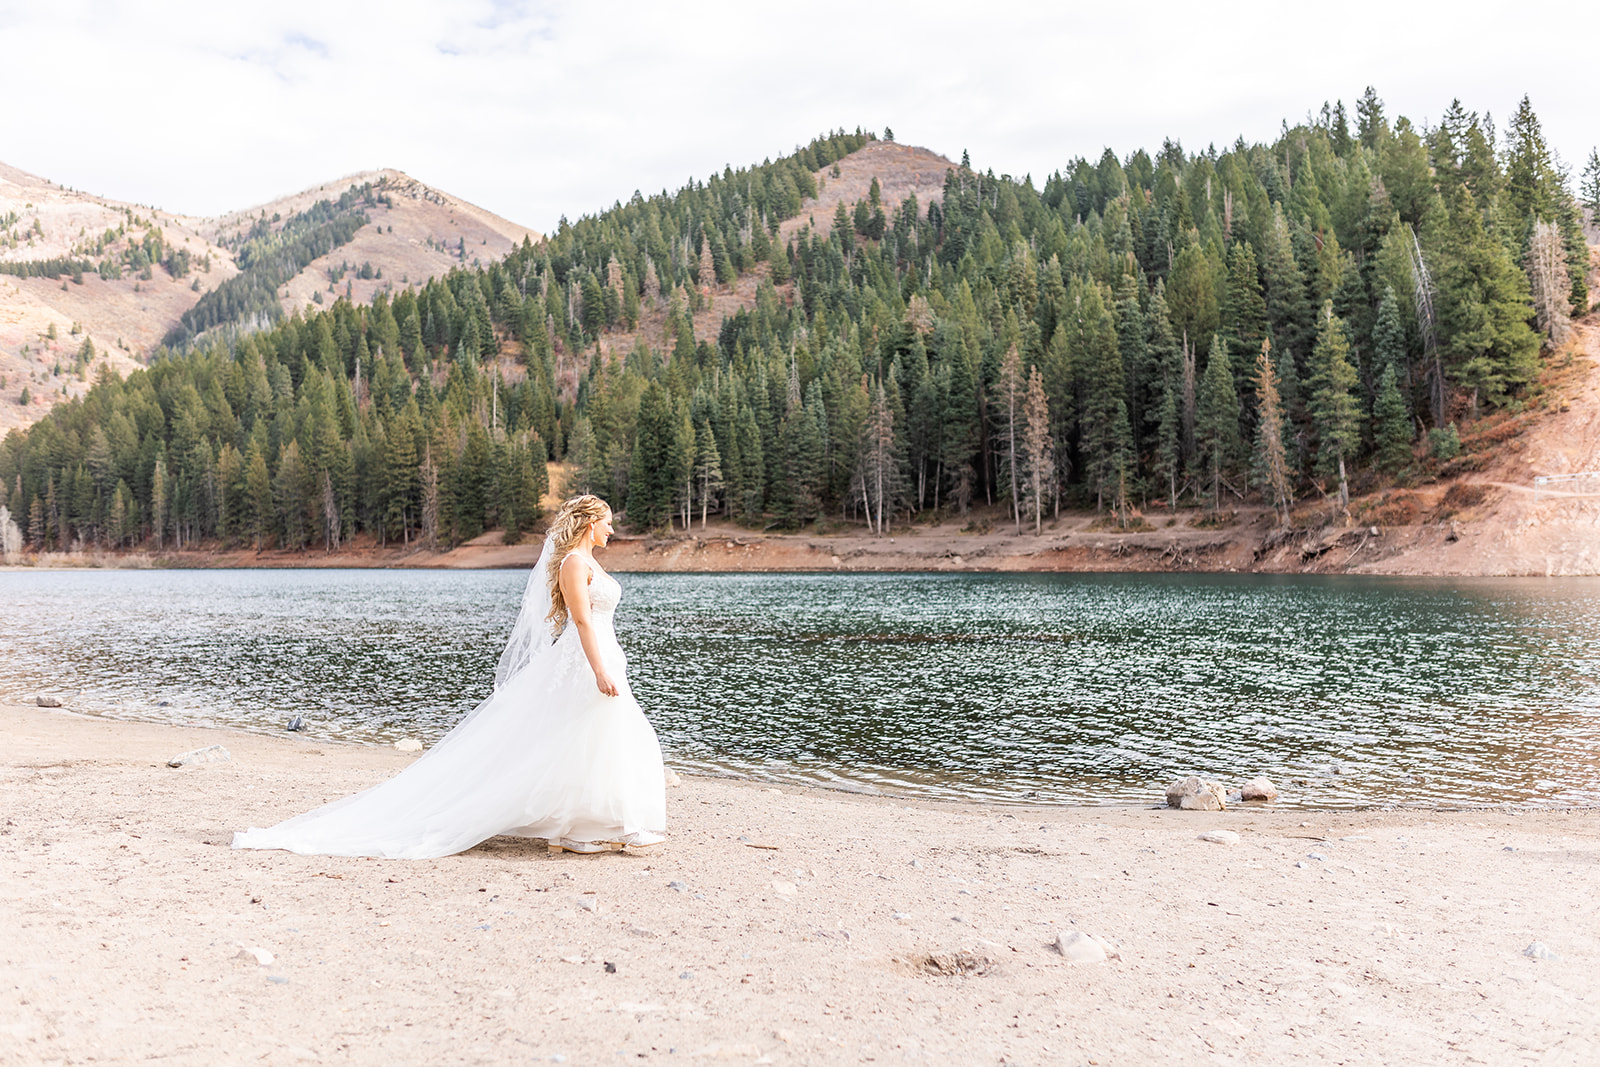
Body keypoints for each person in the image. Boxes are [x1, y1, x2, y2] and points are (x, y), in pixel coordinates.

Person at [233, 495, 667, 858]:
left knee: (592, 738)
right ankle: (614, 825)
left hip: (603, 658)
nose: (613, 531)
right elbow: (583, 622)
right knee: (602, 734)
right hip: (584, 661)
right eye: (608, 523)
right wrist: (598, 670)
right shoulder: (574, 562)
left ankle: (582, 827)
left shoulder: (590, 560)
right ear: (590, 522)